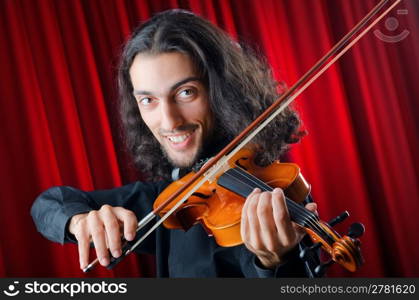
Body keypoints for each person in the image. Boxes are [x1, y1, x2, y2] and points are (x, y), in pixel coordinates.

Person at [31, 9, 320, 278]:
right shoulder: (169, 201)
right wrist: (78, 222)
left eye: (185, 92)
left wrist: (275, 264)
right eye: (148, 100)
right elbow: (48, 204)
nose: (168, 121)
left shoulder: (276, 196)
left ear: (222, 91)